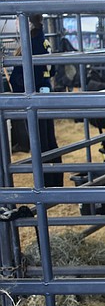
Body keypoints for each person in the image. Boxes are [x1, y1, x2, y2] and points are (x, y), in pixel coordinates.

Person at [9, 14, 63, 187]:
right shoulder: (44, 42)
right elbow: (52, 70)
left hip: (34, 97)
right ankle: (55, 181)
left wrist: (16, 84)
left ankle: (46, 183)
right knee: (49, 140)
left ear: (27, 23)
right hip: (46, 93)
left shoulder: (29, 45)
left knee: (40, 143)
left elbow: (20, 78)